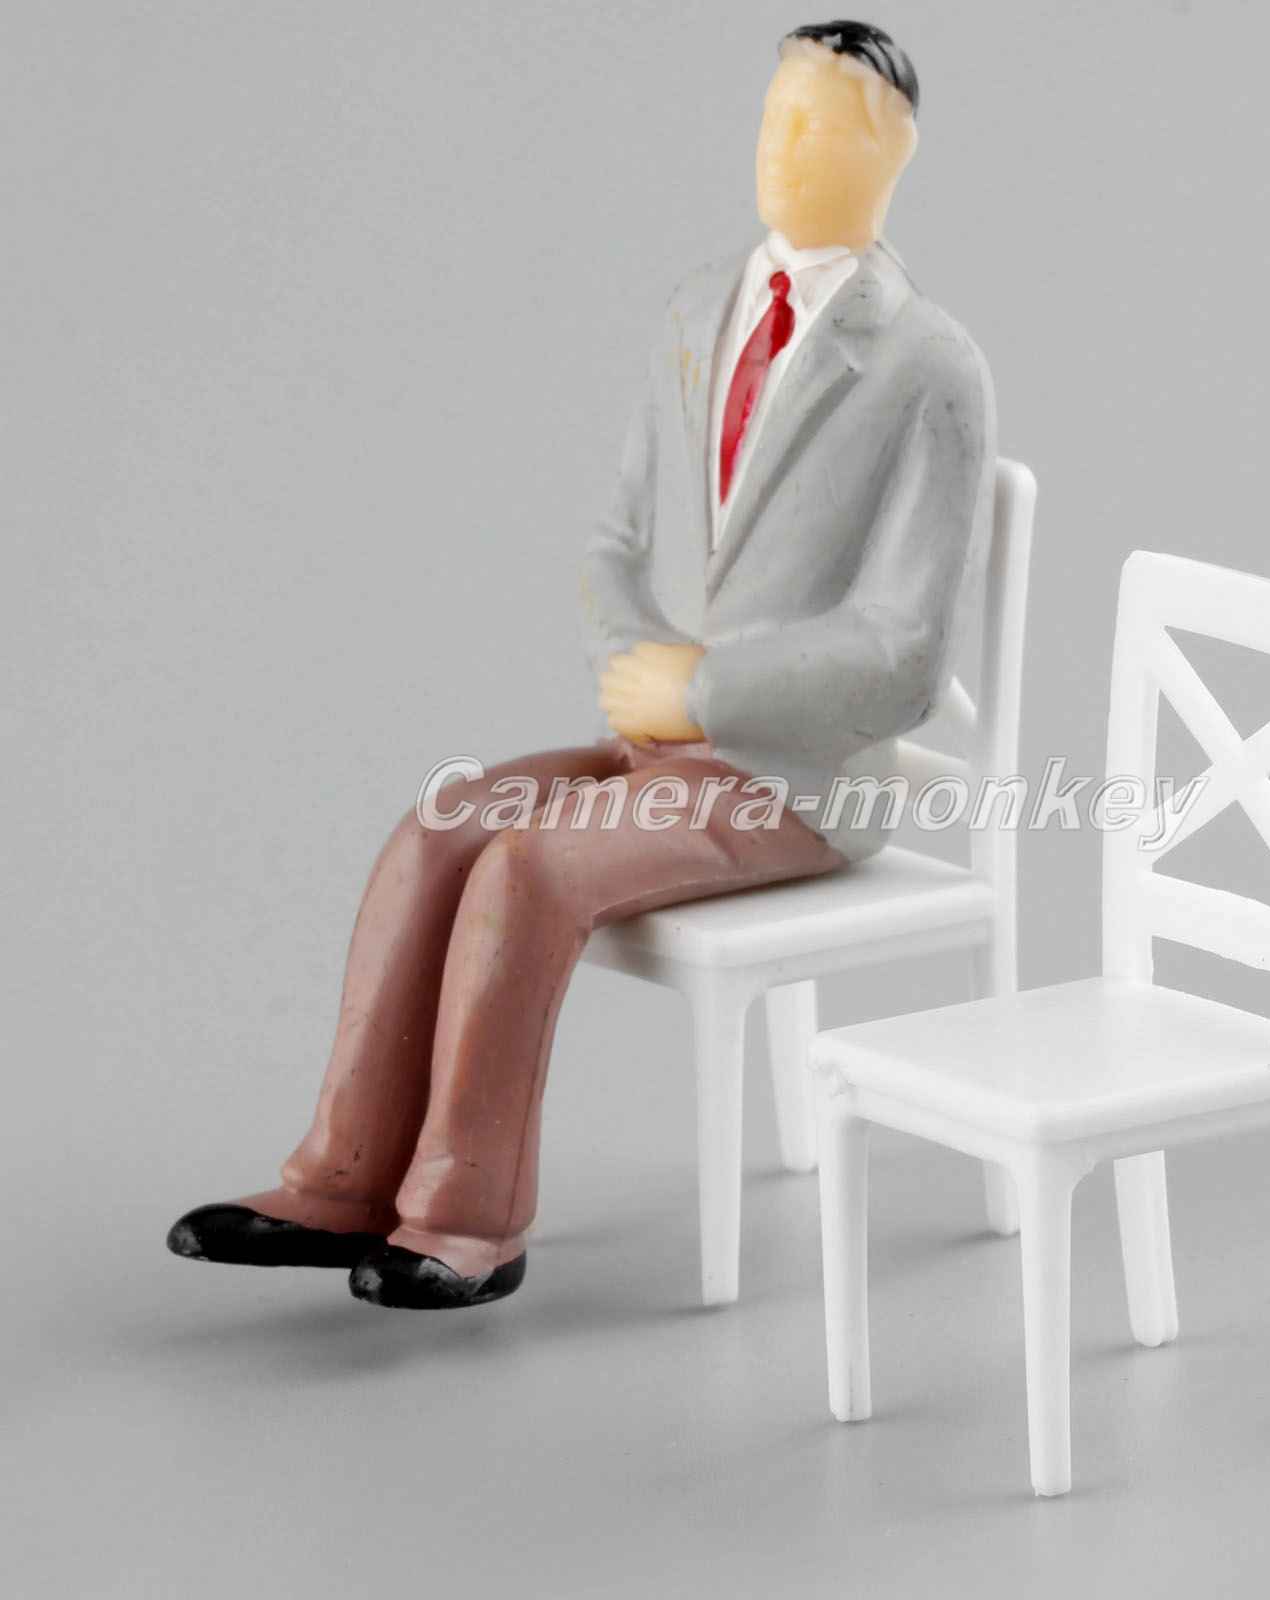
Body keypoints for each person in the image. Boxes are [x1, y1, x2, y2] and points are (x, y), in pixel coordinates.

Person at [167, 20, 996, 1310]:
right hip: (655, 745)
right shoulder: (700, 310)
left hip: (798, 775)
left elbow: (902, 655)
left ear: (895, 153)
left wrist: (703, 692)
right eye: (774, 114)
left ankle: (467, 1217)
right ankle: (341, 1176)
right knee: (446, 826)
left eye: (822, 125)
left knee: (530, 869)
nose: (783, 146)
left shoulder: (928, 364)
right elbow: (614, 540)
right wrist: (635, 672)